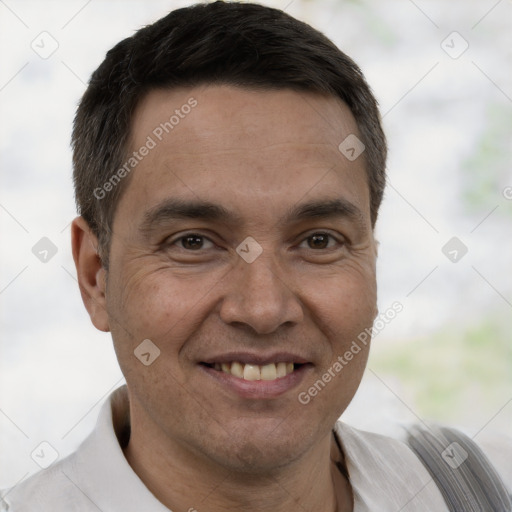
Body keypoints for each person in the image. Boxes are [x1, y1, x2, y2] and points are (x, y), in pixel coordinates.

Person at [2, 1, 511, 510]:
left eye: (318, 241)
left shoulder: (468, 491)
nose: (264, 309)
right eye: (193, 242)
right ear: (96, 278)